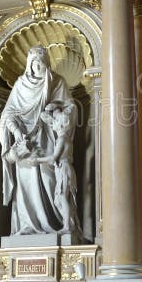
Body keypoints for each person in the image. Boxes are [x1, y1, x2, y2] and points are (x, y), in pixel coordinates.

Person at [0, 46, 74, 235]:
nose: (36, 67)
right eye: (33, 63)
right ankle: (27, 225)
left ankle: (57, 224)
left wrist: (54, 107)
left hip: (48, 138)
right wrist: (17, 133)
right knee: (26, 184)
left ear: (46, 63)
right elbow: (8, 113)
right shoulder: (20, 85)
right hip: (25, 142)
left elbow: (70, 108)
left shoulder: (57, 81)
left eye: (40, 63)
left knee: (50, 181)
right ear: (28, 65)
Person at [36, 100, 81, 235]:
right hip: (62, 169)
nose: (53, 123)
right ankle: (71, 223)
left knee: (62, 198)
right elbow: (45, 116)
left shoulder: (62, 139)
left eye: (55, 121)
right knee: (58, 200)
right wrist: (55, 109)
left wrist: (36, 160)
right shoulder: (64, 138)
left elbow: (52, 159)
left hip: (64, 169)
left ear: (60, 124)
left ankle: (67, 226)